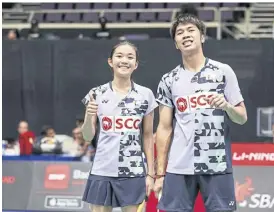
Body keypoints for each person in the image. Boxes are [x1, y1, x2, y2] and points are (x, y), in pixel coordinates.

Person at [153, 14, 247, 212]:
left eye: (190, 30)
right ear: (176, 44)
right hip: (179, 166)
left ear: (202, 37)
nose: (185, 35)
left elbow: (242, 117)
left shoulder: (223, 72)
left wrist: (228, 107)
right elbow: (163, 128)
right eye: (180, 33)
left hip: (216, 164)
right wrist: (160, 174)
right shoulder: (168, 80)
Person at [81, 41, 158, 212]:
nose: (124, 60)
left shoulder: (146, 95)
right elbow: (87, 136)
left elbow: (147, 136)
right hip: (102, 170)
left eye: (130, 57)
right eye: (119, 56)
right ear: (110, 61)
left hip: (133, 171)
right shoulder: (96, 94)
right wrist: (88, 116)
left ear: (136, 64)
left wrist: (150, 174)